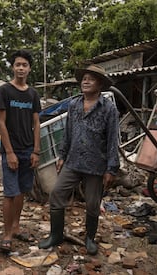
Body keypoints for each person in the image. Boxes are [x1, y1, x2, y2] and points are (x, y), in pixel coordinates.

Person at [38, 64, 120, 255]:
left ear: (100, 84)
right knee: (57, 194)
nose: (85, 81)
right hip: (73, 162)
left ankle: (89, 238)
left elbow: (112, 141)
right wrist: (62, 156)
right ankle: (55, 235)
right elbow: (67, 132)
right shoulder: (74, 105)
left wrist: (111, 169)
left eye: (91, 78)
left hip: (96, 165)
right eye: (84, 78)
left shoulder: (109, 109)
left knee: (92, 204)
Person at [0, 49, 41, 253]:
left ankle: (16, 226)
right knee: (10, 194)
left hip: (28, 150)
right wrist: (9, 152)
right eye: (18, 64)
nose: (21, 68)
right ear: (13, 67)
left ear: (29, 69)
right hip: (11, 151)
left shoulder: (32, 94)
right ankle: (6, 235)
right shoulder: (4, 91)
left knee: (21, 191)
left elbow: (36, 123)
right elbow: (1, 123)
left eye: (25, 65)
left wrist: (36, 151)